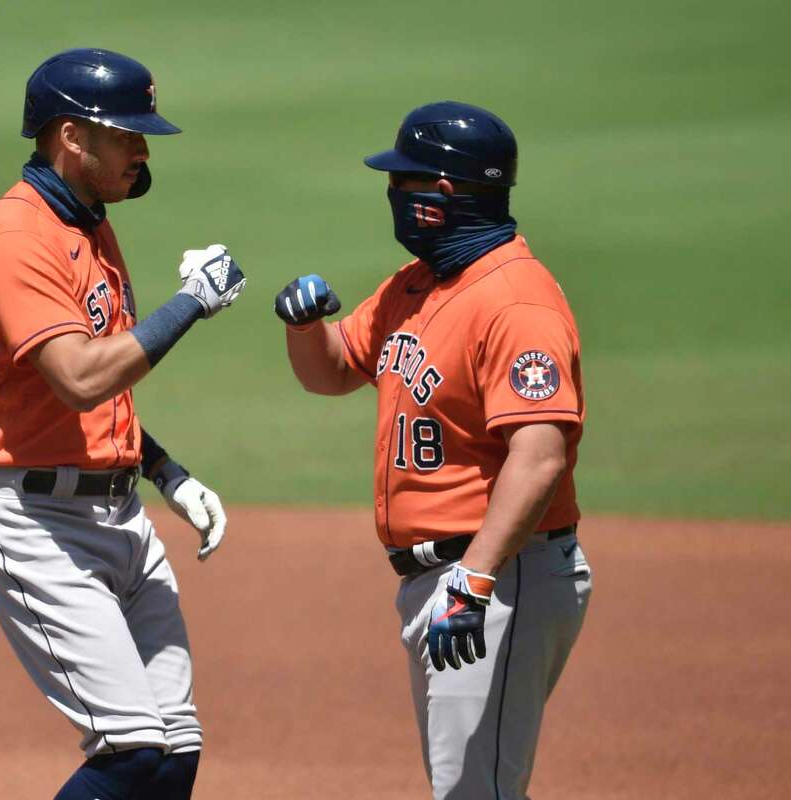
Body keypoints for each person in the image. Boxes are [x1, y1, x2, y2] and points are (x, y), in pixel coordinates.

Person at [273, 101, 592, 799]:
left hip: (500, 575)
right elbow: (331, 372)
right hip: (449, 582)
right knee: (473, 788)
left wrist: (474, 581)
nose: (394, 195)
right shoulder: (417, 286)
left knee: (474, 794)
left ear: (441, 194)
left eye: (403, 182)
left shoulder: (516, 303)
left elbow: (539, 455)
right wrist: (305, 327)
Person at [0, 48, 245, 800]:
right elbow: (80, 379)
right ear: (69, 136)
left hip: (119, 517)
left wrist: (165, 472)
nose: (142, 151)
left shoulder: (86, 225)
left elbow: (89, 389)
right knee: (132, 752)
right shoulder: (16, 237)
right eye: (126, 135)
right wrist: (192, 304)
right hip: (38, 523)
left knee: (175, 753)